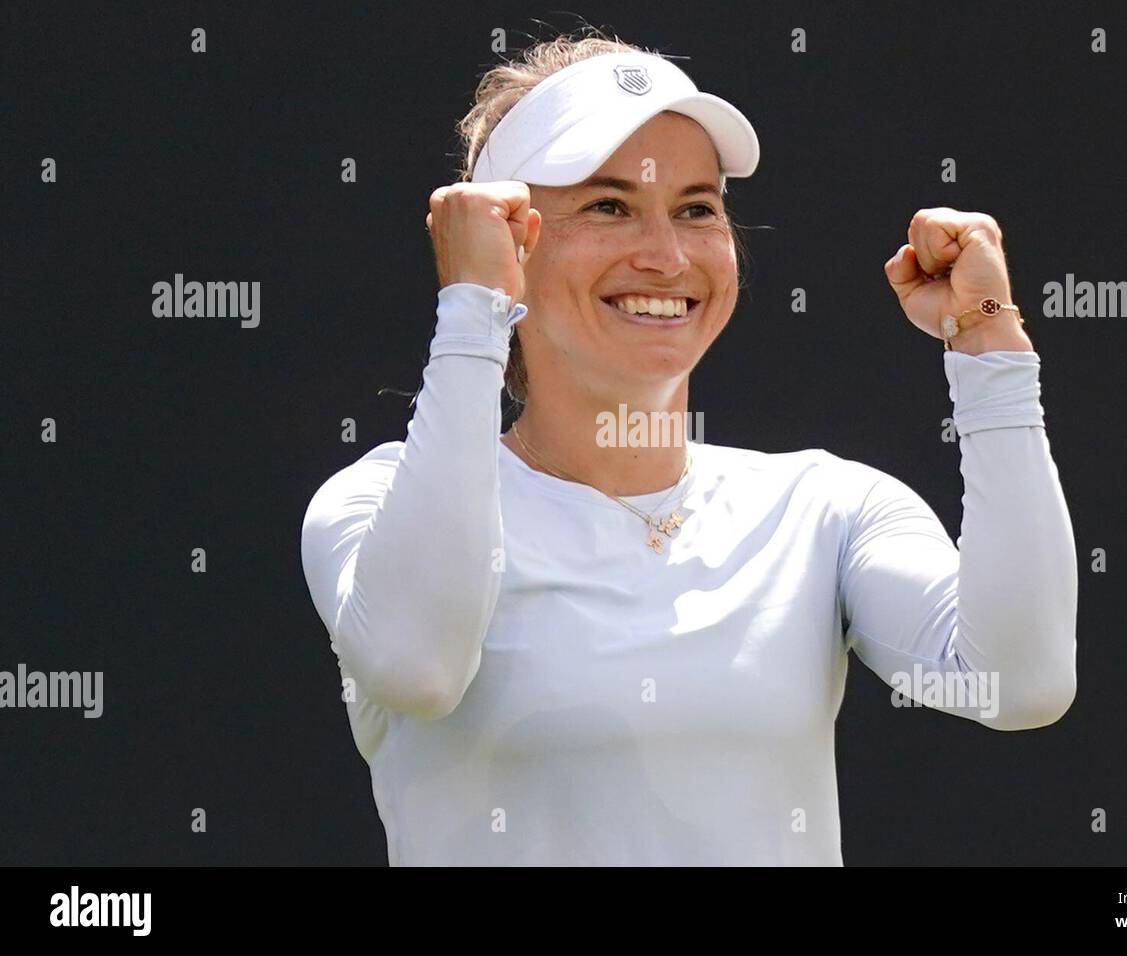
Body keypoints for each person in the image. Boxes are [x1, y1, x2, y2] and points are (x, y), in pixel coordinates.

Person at [299, 32, 1077, 866]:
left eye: (697, 208)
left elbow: (1019, 684)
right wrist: (472, 310)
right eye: (609, 206)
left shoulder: (828, 508)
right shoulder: (377, 502)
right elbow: (419, 668)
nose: (666, 257)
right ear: (510, 244)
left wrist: (988, 347)